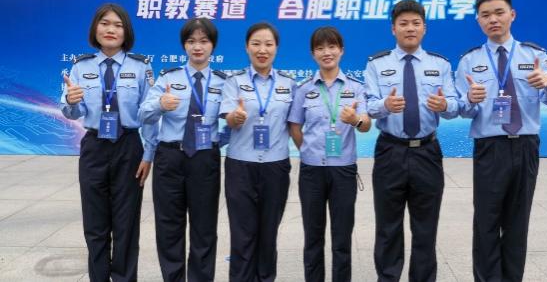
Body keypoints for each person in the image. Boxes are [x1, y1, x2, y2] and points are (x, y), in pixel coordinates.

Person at [454, 0, 547, 282]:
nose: (493, 19)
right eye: (485, 15)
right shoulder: (469, 60)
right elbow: (461, 109)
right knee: (486, 222)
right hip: (489, 147)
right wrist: (470, 99)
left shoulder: (535, 55)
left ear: (512, 15)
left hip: (526, 145)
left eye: (499, 13)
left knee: (518, 223)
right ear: (478, 21)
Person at [364, 0, 459, 282]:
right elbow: (368, 105)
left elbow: (454, 105)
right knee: (388, 227)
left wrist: (445, 105)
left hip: (427, 151)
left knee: (425, 228)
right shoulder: (376, 64)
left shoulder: (440, 64)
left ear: (424, 28)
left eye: (416, 23)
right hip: (390, 150)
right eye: (403, 23)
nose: (410, 28)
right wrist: (385, 105)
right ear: (393, 29)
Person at [60, 3, 156, 282]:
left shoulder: (141, 66)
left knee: (126, 224)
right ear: (95, 29)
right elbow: (73, 111)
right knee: (95, 223)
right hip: (94, 147)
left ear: (126, 32)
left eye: (118, 25)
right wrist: (71, 101)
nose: (111, 29)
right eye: (105, 23)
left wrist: (148, 154)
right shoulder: (81, 66)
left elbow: (150, 114)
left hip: (129, 147)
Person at [139, 18, 226, 282]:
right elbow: (144, 115)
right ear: (184, 45)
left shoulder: (224, 81)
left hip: (205, 159)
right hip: (170, 157)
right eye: (191, 41)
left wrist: (217, 142)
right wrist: (160, 105)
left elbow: (235, 119)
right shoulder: (168, 77)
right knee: (169, 228)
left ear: (213, 46)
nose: (197, 47)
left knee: (204, 228)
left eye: (204, 41)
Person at [288, 26, 372, 282]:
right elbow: (295, 126)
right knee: (313, 238)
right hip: (311, 171)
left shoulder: (355, 88)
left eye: (332, 47)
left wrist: (355, 119)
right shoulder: (304, 89)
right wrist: (307, 150)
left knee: (342, 238)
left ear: (341, 50)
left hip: (343, 170)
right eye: (320, 48)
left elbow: (366, 125)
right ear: (313, 54)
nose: (327, 52)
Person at [219, 22, 296, 282]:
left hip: (276, 166)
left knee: (268, 233)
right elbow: (228, 117)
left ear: (276, 48)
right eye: (256, 44)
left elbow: (296, 123)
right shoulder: (234, 82)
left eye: (268, 44)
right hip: (241, 166)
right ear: (247, 47)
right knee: (242, 234)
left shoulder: (289, 84)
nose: (262, 50)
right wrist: (235, 117)